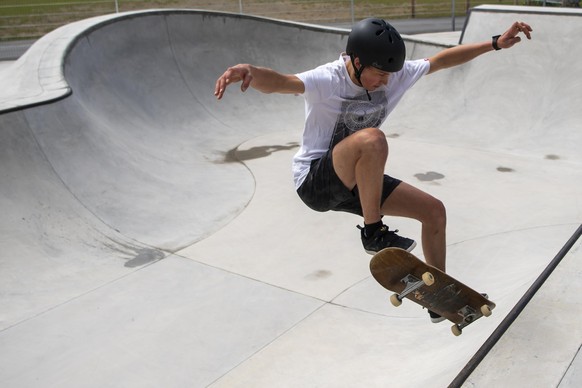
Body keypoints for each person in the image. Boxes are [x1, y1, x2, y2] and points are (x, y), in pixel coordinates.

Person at [215, 18, 531, 322]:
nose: (383, 82)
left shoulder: (394, 74)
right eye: (378, 75)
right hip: (315, 182)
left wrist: (495, 44)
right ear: (356, 61)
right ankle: (372, 232)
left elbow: (441, 61)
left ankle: (439, 296)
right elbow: (283, 83)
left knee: (434, 211)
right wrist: (251, 73)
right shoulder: (328, 79)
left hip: (356, 185)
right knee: (372, 139)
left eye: (389, 76)